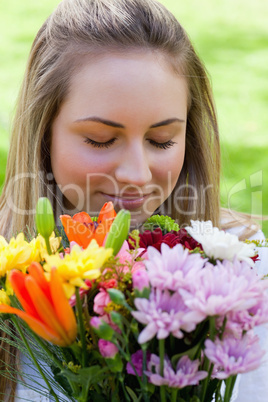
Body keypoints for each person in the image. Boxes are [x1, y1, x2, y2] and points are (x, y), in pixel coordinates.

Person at [0, 0, 266, 400]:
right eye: (100, 139)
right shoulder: (12, 276)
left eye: (162, 141)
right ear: (43, 136)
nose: (138, 176)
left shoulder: (247, 274)